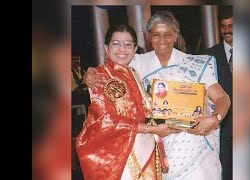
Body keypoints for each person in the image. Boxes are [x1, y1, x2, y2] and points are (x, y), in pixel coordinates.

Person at [85, 11, 231, 180]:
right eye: (156, 35)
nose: (162, 41)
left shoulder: (196, 64)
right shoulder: (136, 62)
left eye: (168, 35)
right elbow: (110, 70)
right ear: (149, 37)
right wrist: (89, 74)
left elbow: (223, 98)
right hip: (157, 149)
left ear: (175, 35)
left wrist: (215, 118)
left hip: (196, 148)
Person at [75, 24, 179, 180]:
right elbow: (105, 120)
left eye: (128, 44)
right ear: (106, 48)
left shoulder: (134, 72)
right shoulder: (100, 76)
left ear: (135, 48)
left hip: (146, 148)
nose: (122, 49)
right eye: (115, 44)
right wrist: (151, 129)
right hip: (119, 154)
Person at [198, 6, 233, 180]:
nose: (227, 30)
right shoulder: (208, 57)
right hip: (223, 129)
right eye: (223, 26)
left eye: (232, 25)